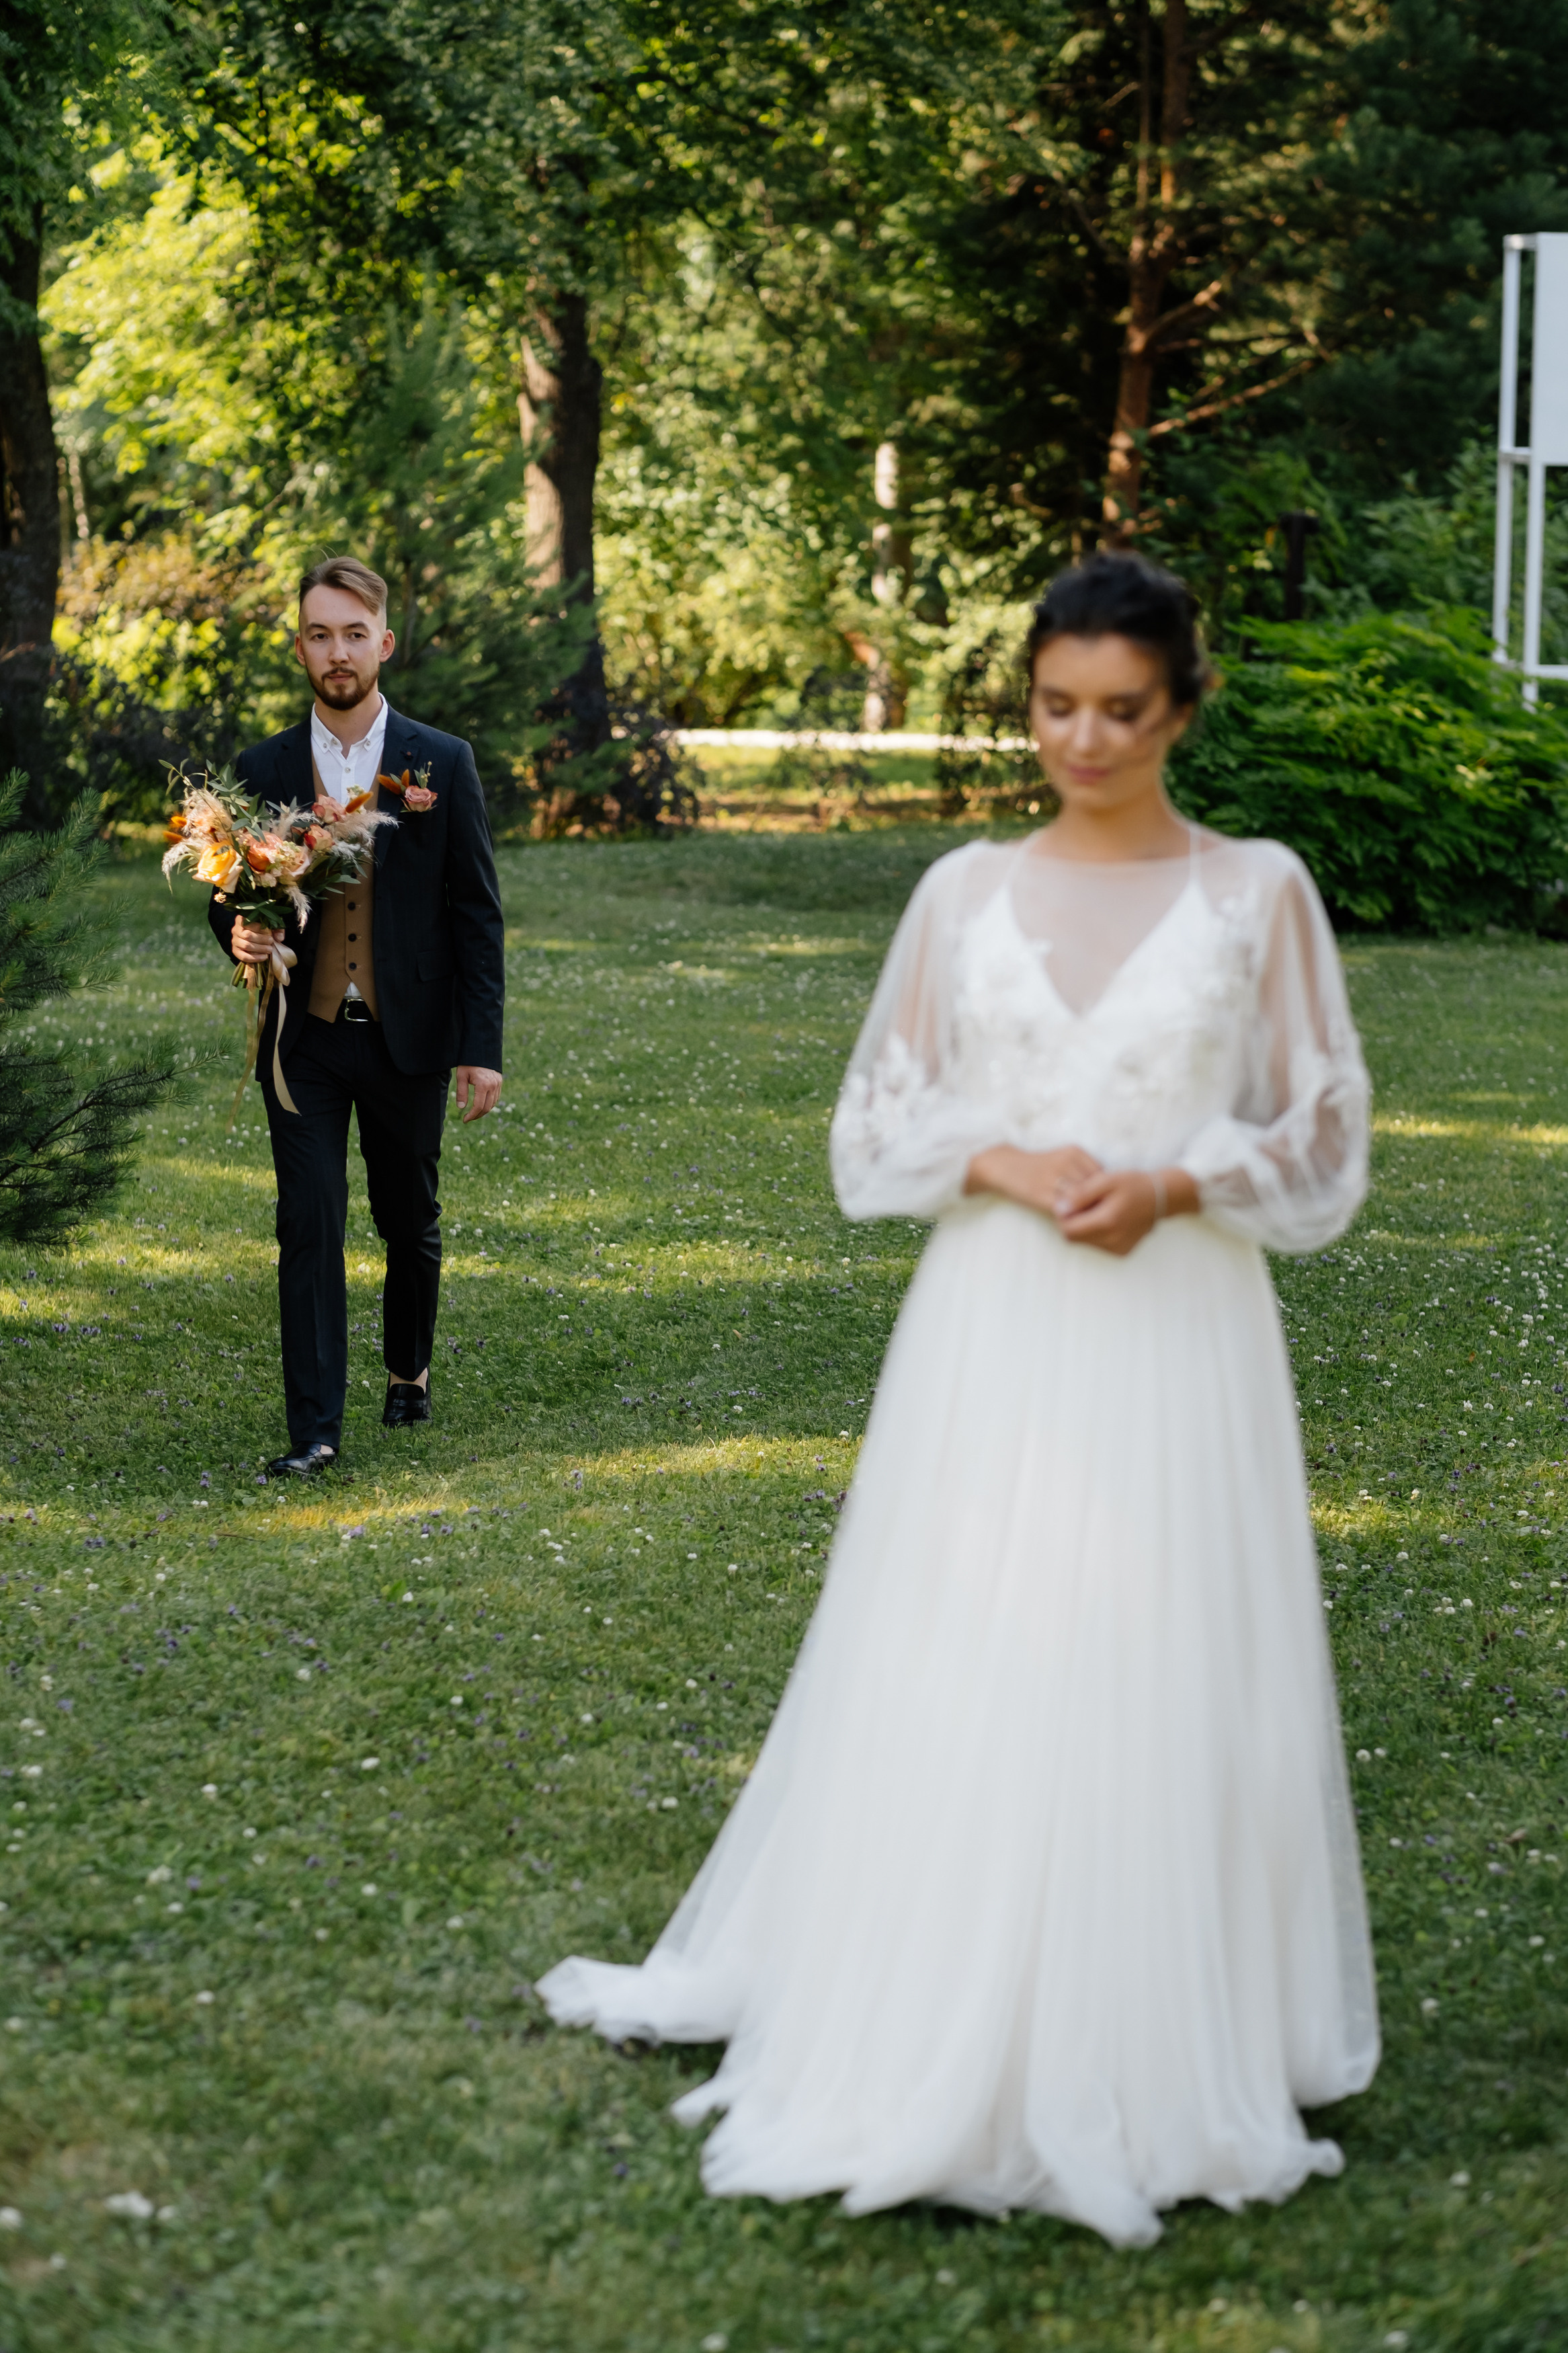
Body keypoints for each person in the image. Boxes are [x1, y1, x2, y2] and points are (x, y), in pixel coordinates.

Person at [539, 551, 1379, 2247]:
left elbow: (1324, 1121)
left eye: (1123, 710)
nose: (1085, 738)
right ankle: (934, 1986)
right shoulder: (960, 891)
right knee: (975, 1633)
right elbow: (875, 1123)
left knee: (1157, 1645)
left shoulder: (1258, 889)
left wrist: (1179, 1182)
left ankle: (1159, 2017)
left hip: (1178, 1321)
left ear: (1183, 710)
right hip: (992, 1319)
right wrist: (1001, 1153)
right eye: (1058, 705)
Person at [210, 555, 505, 1477]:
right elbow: (231, 889)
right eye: (318, 634)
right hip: (303, 1042)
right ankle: (315, 1432)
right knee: (308, 1219)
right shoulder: (260, 769)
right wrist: (240, 936)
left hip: (408, 1036)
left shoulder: (440, 763)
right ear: (299, 645)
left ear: (383, 642)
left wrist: (479, 1049)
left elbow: (475, 913)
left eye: (352, 633)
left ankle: (407, 1370)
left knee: (406, 1215)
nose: (336, 652)